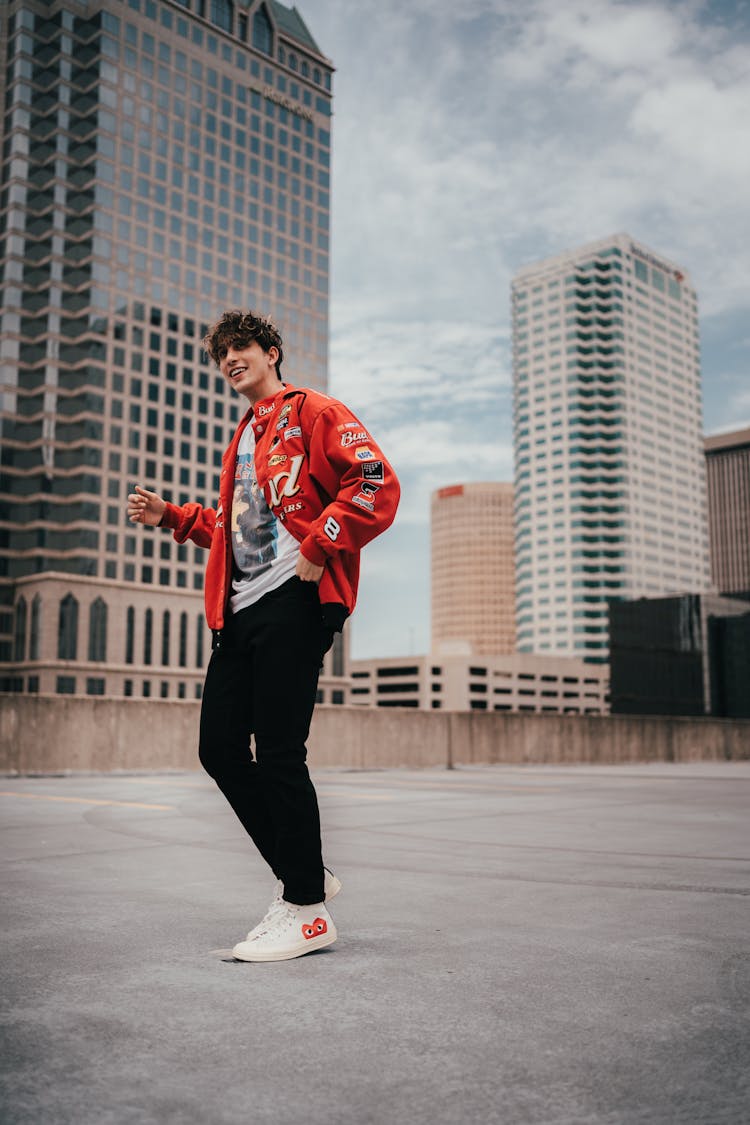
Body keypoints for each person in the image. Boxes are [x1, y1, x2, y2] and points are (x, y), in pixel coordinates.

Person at [127, 310, 400, 962]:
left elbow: (375, 479)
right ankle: (303, 868)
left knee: (278, 750)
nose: (228, 358)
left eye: (240, 346)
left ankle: (306, 911)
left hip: (295, 601)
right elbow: (235, 526)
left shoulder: (312, 410)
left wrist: (322, 539)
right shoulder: (244, 435)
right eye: (220, 352)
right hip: (239, 611)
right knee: (219, 747)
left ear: (271, 351)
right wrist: (175, 516)